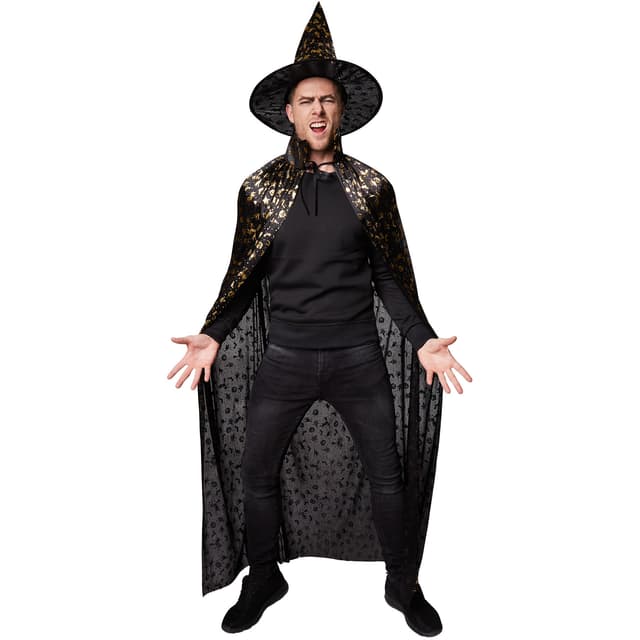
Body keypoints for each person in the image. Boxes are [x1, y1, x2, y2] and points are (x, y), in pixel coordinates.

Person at [168, 3, 471, 636]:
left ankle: (402, 583)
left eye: (327, 100)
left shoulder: (372, 189)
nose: (317, 110)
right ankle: (263, 577)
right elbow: (244, 275)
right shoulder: (261, 190)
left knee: (388, 475)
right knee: (256, 474)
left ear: (342, 111)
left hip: (359, 359)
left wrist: (422, 340)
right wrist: (213, 336)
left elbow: (391, 277)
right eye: (306, 100)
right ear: (289, 111)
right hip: (285, 361)